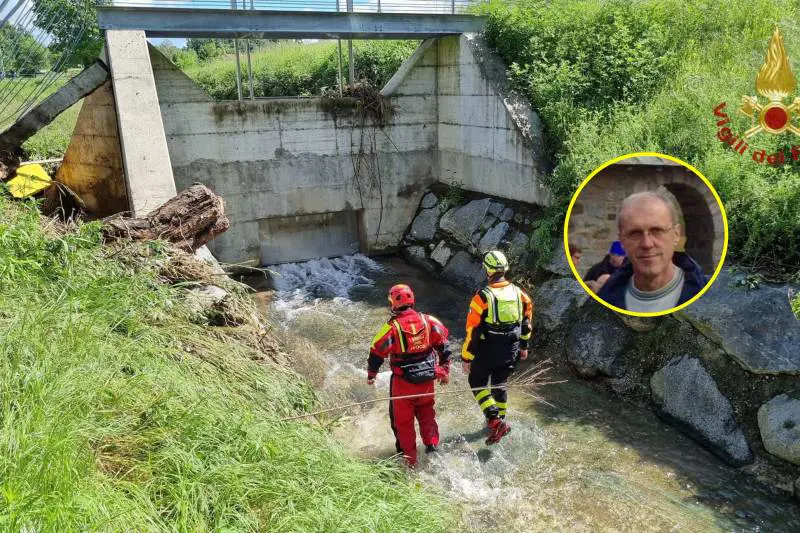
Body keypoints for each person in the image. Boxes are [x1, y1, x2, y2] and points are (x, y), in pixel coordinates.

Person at [367, 284, 451, 467]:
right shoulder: (429, 320)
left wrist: (371, 375)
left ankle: (409, 462)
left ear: (393, 304)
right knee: (427, 414)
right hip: (428, 380)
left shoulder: (391, 327)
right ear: (412, 300)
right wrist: (444, 370)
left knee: (403, 424)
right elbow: (445, 345)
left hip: (403, 385)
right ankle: (432, 448)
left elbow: (376, 351)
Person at [462, 250, 533, 445]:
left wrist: (467, 357)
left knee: (477, 382)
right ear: (505, 269)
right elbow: (526, 324)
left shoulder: (482, 298)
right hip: (511, 350)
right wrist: (524, 346)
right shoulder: (521, 295)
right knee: (499, 384)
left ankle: (494, 420)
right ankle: (501, 421)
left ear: (487, 270)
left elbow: (473, 331)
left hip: (488, 351)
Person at [597, 191, 709, 312]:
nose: (647, 244)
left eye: (657, 230)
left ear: (676, 234)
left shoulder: (712, 298)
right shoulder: (601, 306)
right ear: (622, 241)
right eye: (635, 233)